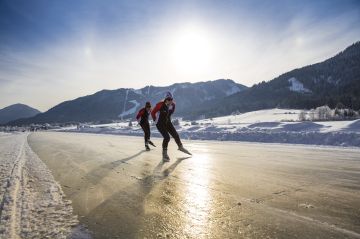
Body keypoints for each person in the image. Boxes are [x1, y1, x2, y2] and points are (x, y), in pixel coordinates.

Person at [151, 92, 191, 161]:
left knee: (176, 135)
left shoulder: (173, 105)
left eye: (171, 99)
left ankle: (180, 147)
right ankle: (164, 154)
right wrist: (155, 120)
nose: (170, 101)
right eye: (168, 99)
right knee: (167, 137)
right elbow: (153, 112)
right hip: (160, 123)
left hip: (167, 122)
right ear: (165, 99)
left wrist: (167, 119)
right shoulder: (160, 104)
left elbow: (170, 113)